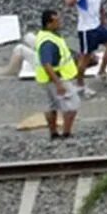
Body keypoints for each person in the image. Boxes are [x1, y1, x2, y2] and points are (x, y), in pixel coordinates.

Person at [33, 8, 81, 139]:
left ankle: (53, 133)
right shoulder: (48, 42)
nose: (59, 23)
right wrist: (58, 83)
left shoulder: (46, 36)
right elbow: (46, 63)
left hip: (48, 79)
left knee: (52, 106)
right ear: (49, 24)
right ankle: (66, 133)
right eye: (56, 21)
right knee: (72, 104)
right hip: (57, 77)